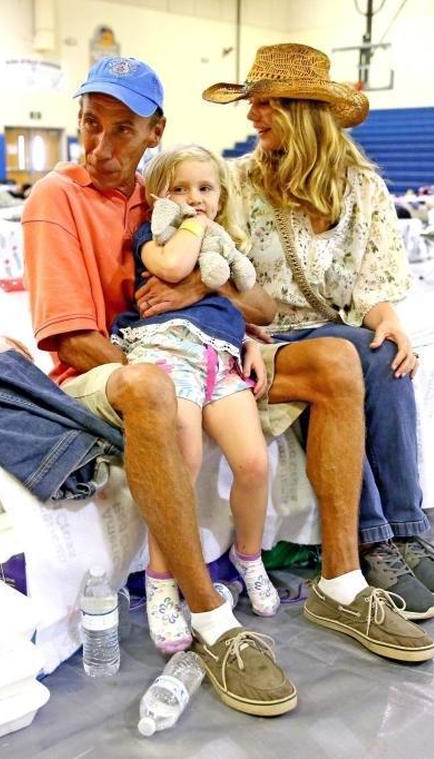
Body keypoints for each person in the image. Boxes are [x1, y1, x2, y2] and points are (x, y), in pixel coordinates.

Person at [24, 55, 433, 719]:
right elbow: (72, 338)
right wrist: (176, 355)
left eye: (121, 130)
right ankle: (211, 619)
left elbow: (237, 293)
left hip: (198, 355)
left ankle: (344, 577)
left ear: (155, 132)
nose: (99, 146)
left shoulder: (170, 196)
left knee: (337, 359)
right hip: (114, 365)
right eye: (88, 125)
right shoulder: (58, 196)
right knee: (154, 383)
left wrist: (223, 328)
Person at [203, 43, 434, 618]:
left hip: (334, 331)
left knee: (380, 348)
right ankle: (375, 539)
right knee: (349, 349)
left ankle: (402, 530)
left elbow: (370, 285)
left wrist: (389, 318)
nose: (252, 116)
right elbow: (220, 272)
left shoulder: (363, 187)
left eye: (265, 103)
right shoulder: (237, 181)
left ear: (302, 110)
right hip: (269, 338)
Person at [113, 144, 279, 654]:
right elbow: (176, 265)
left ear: (221, 193)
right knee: (179, 463)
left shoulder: (225, 244)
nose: (194, 198)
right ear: (159, 196)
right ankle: (163, 582)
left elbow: (257, 302)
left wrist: (248, 336)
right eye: (180, 188)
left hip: (220, 356)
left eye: (205, 189)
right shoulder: (155, 236)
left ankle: (249, 558)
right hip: (168, 352)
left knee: (252, 463)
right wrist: (189, 223)